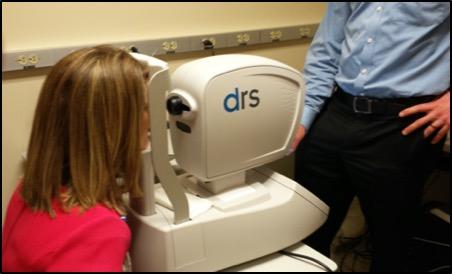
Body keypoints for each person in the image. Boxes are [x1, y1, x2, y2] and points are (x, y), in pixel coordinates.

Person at [290, 3, 450, 272]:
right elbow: (327, 48)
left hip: (401, 124)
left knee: (391, 241)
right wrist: (305, 116)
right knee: (306, 230)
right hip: (335, 112)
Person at [2, 45, 151, 271]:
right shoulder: (99, 232)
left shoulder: (28, 190)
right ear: (114, 126)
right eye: (146, 107)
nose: (152, 118)